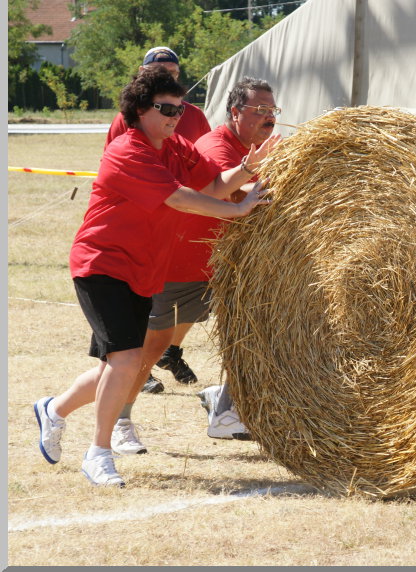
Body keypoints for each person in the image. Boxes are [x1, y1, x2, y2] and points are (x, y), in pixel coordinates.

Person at [33, 66, 279, 486]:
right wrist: (239, 210)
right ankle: (99, 453)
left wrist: (246, 169)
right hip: (103, 264)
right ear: (141, 109)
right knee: (127, 361)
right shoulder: (128, 151)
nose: (175, 115)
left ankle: (53, 409)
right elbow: (182, 199)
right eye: (166, 108)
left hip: (144, 269)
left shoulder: (176, 146)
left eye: (180, 108)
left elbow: (211, 185)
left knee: (130, 363)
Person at [106, 46, 212, 395]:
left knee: (188, 299)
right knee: (143, 301)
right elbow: (120, 169)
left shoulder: (193, 115)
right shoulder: (130, 120)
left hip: (185, 220)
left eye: (175, 74)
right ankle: (134, 366)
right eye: (162, 72)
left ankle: (169, 353)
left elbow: (204, 163)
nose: (175, 116)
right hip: (143, 222)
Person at [191, 77, 281, 440]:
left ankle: (225, 405)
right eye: (260, 110)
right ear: (235, 112)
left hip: (232, 260)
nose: (269, 118)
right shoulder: (217, 145)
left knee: (252, 328)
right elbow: (232, 188)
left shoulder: (263, 144)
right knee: (145, 348)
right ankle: (119, 420)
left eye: (273, 110)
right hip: (197, 260)